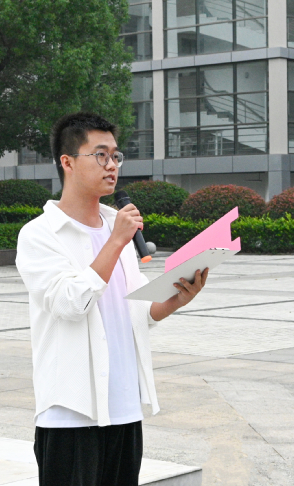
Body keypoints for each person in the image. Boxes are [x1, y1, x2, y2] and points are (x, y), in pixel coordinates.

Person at [16, 112, 209, 486]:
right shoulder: (40, 234)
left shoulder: (115, 225)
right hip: (71, 414)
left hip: (123, 409)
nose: (112, 165)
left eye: (116, 156)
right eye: (100, 155)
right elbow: (71, 304)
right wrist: (117, 241)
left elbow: (135, 309)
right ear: (68, 162)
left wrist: (174, 300)